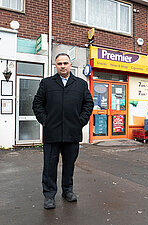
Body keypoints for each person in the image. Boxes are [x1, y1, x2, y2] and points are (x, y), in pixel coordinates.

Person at [32, 53, 94, 209]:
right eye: (59, 63)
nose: (63, 66)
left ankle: (67, 191)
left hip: (72, 133)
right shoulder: (46, 83)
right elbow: (37, 104)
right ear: (56, 66)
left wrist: (81, 121)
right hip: (51, 133)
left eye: (65, 63)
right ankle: (49, 196)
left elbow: (88, 104)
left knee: (69, 165)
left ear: (70, 65)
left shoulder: (80, 84)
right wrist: (45, 120)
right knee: (49, 166)